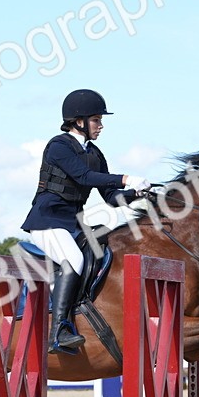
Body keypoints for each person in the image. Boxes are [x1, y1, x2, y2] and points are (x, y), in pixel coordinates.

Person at [20, 89, 149, 354]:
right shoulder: (58, 146)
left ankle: (82, 312)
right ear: (78, 121)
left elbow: (111, 197)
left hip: (74, 222)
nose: (101, 126)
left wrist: (135, 195)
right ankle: (59, 332)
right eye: (96, 120)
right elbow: (84, 177)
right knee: (75, 261)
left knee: (103, 253)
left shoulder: (95, 153)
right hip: (47, 219)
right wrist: (125, 178)